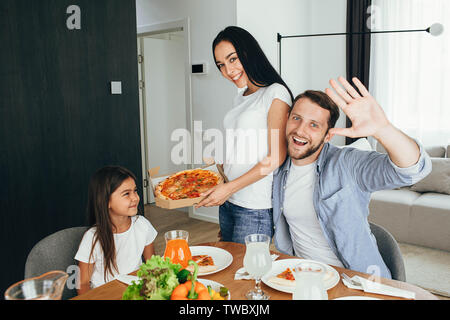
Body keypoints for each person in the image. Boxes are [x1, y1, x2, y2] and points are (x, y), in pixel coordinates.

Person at [272, 76, 432, 279]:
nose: (300, 130)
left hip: (356, 280)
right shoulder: (277, 165)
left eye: (314, 125)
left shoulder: (346, 163)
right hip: (303, 277)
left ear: (328, 135)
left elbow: (413, 170)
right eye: (297, 118)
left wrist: (383, 130)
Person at [195, 26, 293, 244]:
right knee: (229, 271)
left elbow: (276, 157)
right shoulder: (240, 97)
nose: (228, 71)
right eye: (221, 64)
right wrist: (218, 171)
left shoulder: (276, 93)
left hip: (254, 206)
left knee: (245, 275)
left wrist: (228, 188)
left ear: (249, 53)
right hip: (229, 200)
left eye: (233, 59)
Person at [75, 166, 157, 294]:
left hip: (137, 292)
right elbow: (82, 283)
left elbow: (153, 266)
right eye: (126, 194)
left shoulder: (142, 225)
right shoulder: (92, 237)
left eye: (135, 191)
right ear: (106, 201)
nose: (135, 198)